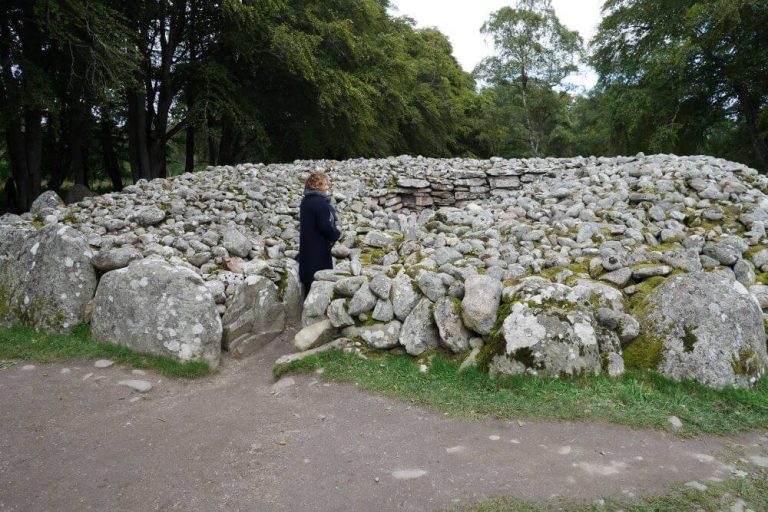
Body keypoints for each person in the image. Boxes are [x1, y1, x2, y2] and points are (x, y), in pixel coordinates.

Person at [299, 171, 341, 296]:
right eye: (325, 184)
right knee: (320, 282)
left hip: (307, 247)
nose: (328, 187)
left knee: (309, 282)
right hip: (319, 249)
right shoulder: (320, 203)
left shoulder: (305, 201)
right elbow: (325, 226)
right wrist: (336, 234)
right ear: (317, 186)